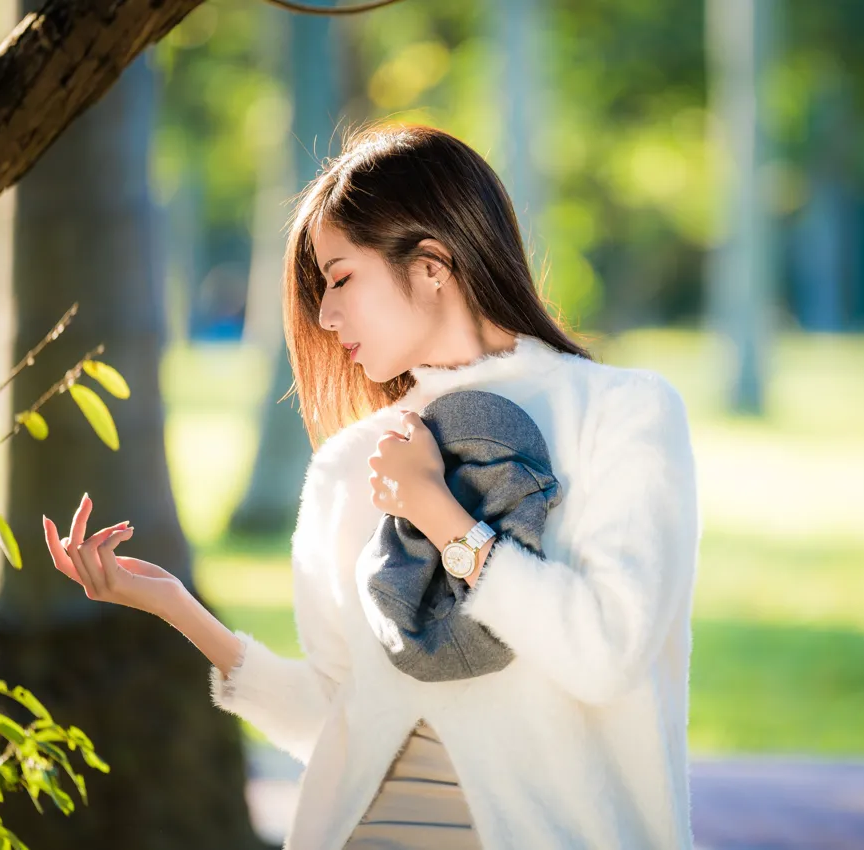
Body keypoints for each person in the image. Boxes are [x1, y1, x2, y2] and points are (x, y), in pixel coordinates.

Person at [42, 123, 701, 850]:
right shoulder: (349, 466)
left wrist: (441, 515)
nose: (324, 316)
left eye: (340, 277)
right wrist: (174, 609)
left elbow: (607, 654)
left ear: (431, 265)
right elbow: (336, 717)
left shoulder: (622, 413)